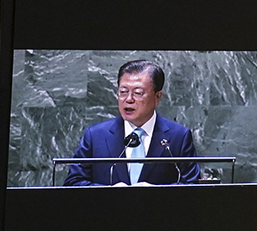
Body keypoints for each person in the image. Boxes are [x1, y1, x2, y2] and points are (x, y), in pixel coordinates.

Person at [63, 59, 201, 186]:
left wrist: (157, 193)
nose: (128, 99)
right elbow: (73, 183)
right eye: (123, 92)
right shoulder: (96, 135)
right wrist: (108, 192)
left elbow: (192, 185)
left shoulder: (179, 137)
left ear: (157, 97)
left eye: (138, 93)